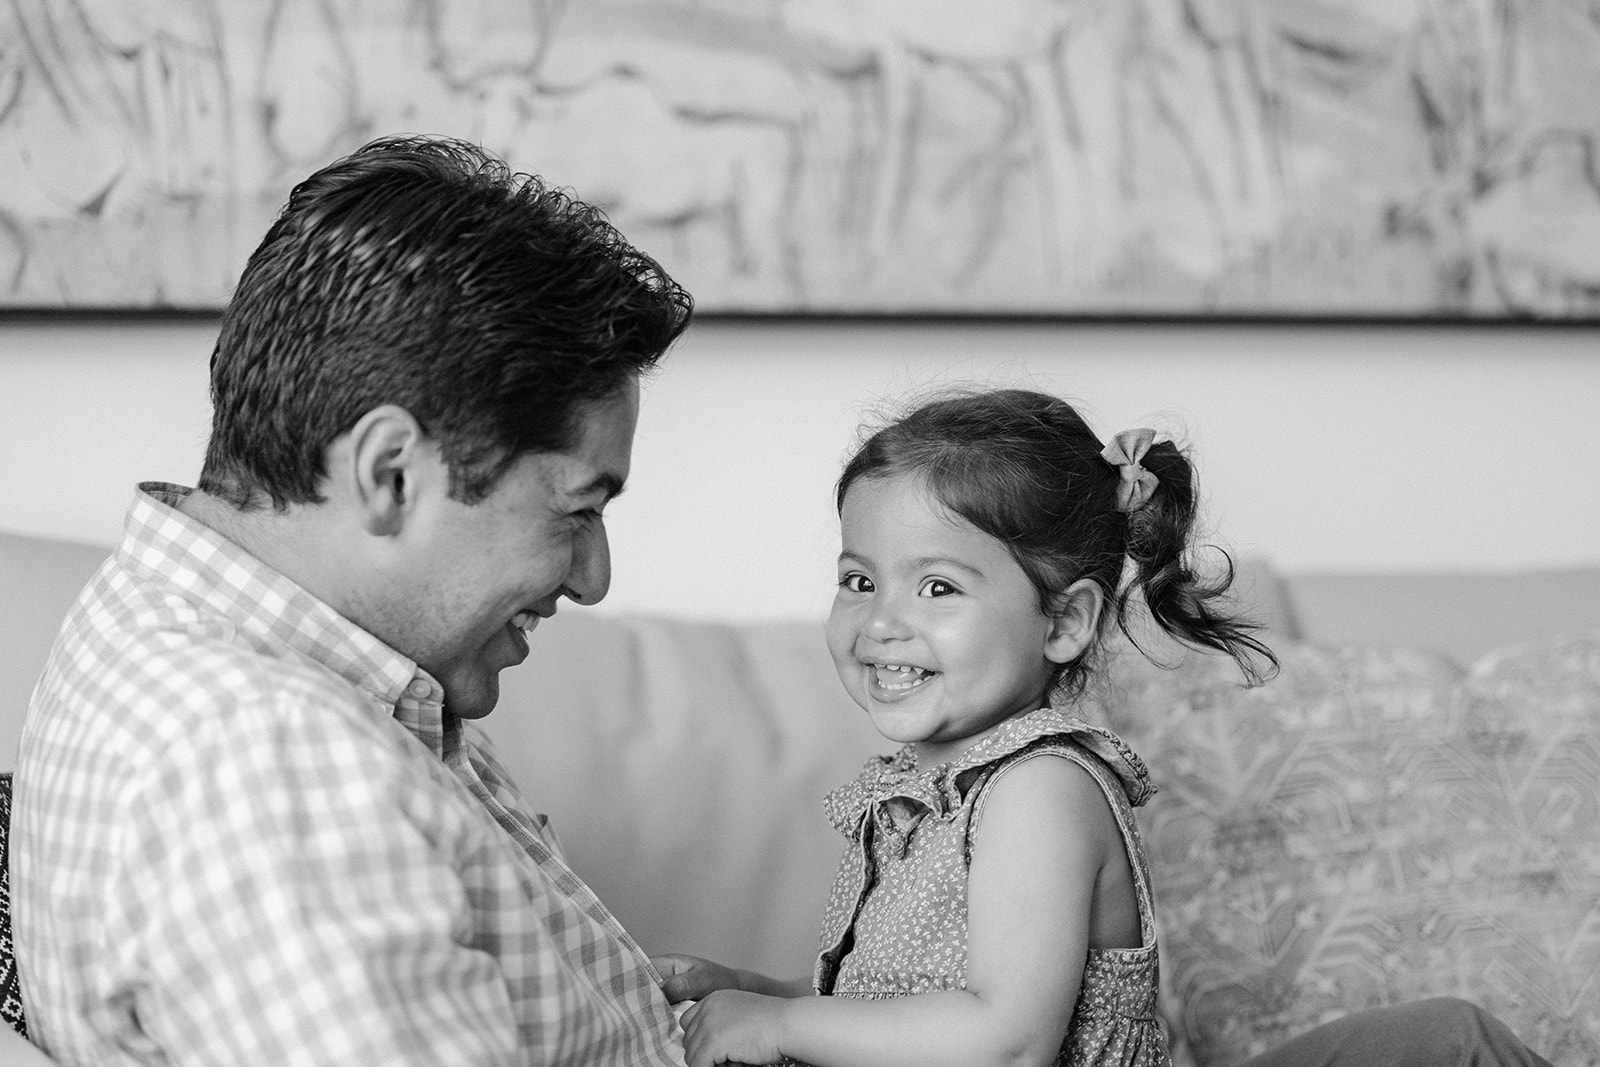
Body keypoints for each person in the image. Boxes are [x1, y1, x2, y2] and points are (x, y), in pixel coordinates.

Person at [12, 135, 694, 1066]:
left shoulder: (219, 641)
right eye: (576, 510)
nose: (593, 576)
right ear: (390, 473)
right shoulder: (271, 760)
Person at [653, 388, 1555, 1067]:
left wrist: (780, 1023)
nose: (882, 619)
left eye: (937, 586)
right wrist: (759, 995)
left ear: (1065, 622)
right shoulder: (913, 794)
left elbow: (1004, 1040)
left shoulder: (1039, 788)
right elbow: (903, 1009)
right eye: (860, 579)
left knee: (1446, 1043)